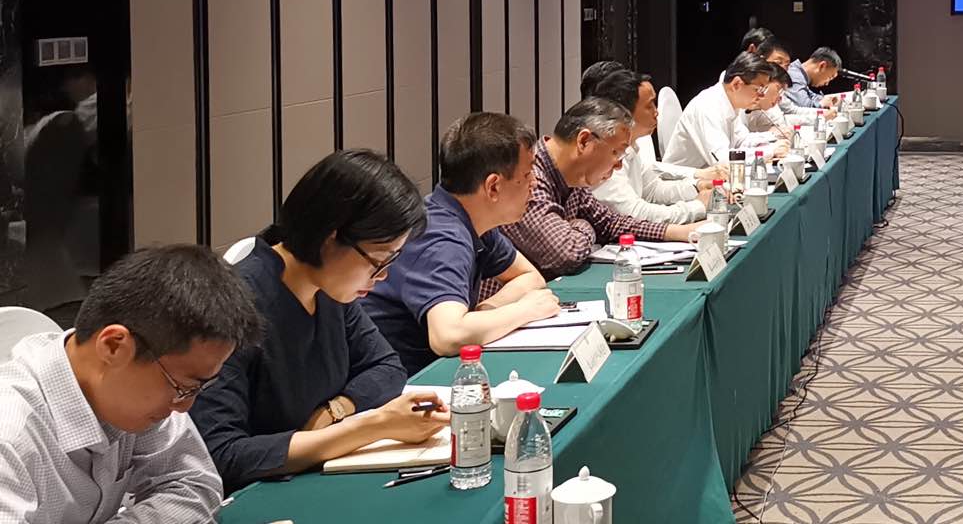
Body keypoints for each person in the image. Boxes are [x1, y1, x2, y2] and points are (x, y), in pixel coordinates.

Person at [190, 150, 450, 490]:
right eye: (378, 260)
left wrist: (335, 411)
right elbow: (222, 455)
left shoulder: (328, 288)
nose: (382, 275)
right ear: (331, 236)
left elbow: (387, 367)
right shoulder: (233, 306)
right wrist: (371, 426)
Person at [0, 244, 262, 523]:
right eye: (183, 387)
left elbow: (196, 485)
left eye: (198, 388)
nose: (185, 406)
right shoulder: (10, 436)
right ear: (114, 346)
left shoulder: (127, 386)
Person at [362, 113, 561, 374]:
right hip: (402, 381)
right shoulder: (441, 238)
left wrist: (486, 311)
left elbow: (530, 277)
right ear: (493, 187)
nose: (534, 183)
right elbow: (447, 336)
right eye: (526, 175)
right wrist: (525, 310)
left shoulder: (472, 220)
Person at [498, 98, 703, 279]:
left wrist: (679, 232)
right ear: (584, 141)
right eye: (615, 153)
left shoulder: (571, 176)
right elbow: (566, 253)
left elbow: (609, 223)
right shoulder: (529, 181)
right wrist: (585, 225)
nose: (619, 165)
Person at [581, 63, 722, 223]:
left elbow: (651, 188)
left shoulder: (632, 143)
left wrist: (696, 187)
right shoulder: (601, 151)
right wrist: (696, 207)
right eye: (650, 105)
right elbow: (634, 214)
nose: (657, 112)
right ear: (622, 110)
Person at [662, 52, 782, 170]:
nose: (762, 96)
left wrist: (773, 139)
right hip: (682, 179)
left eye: (764, 90)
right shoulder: (708, 106)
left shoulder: (730, 103)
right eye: (759, 89)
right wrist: (769, 152)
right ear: (736, 84)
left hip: (708, 175)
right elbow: (723, 161)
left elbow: (741, 140)